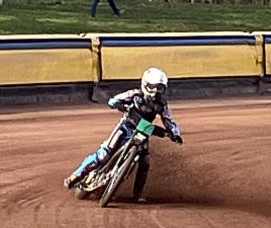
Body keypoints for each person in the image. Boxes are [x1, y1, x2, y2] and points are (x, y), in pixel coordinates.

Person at [63, 67, 183, 202]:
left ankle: (138, 194)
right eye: (152, 86)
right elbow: (113, 101)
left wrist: (174, 133)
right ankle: (75, 176)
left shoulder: (162, 104)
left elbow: (168, 120)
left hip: (143, 131)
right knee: (104, 154)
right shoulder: (134, 94)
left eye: (159, 88)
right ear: (145, 84)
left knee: (145, 162)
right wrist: (119, 105)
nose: (155, 91)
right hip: (126, 127)